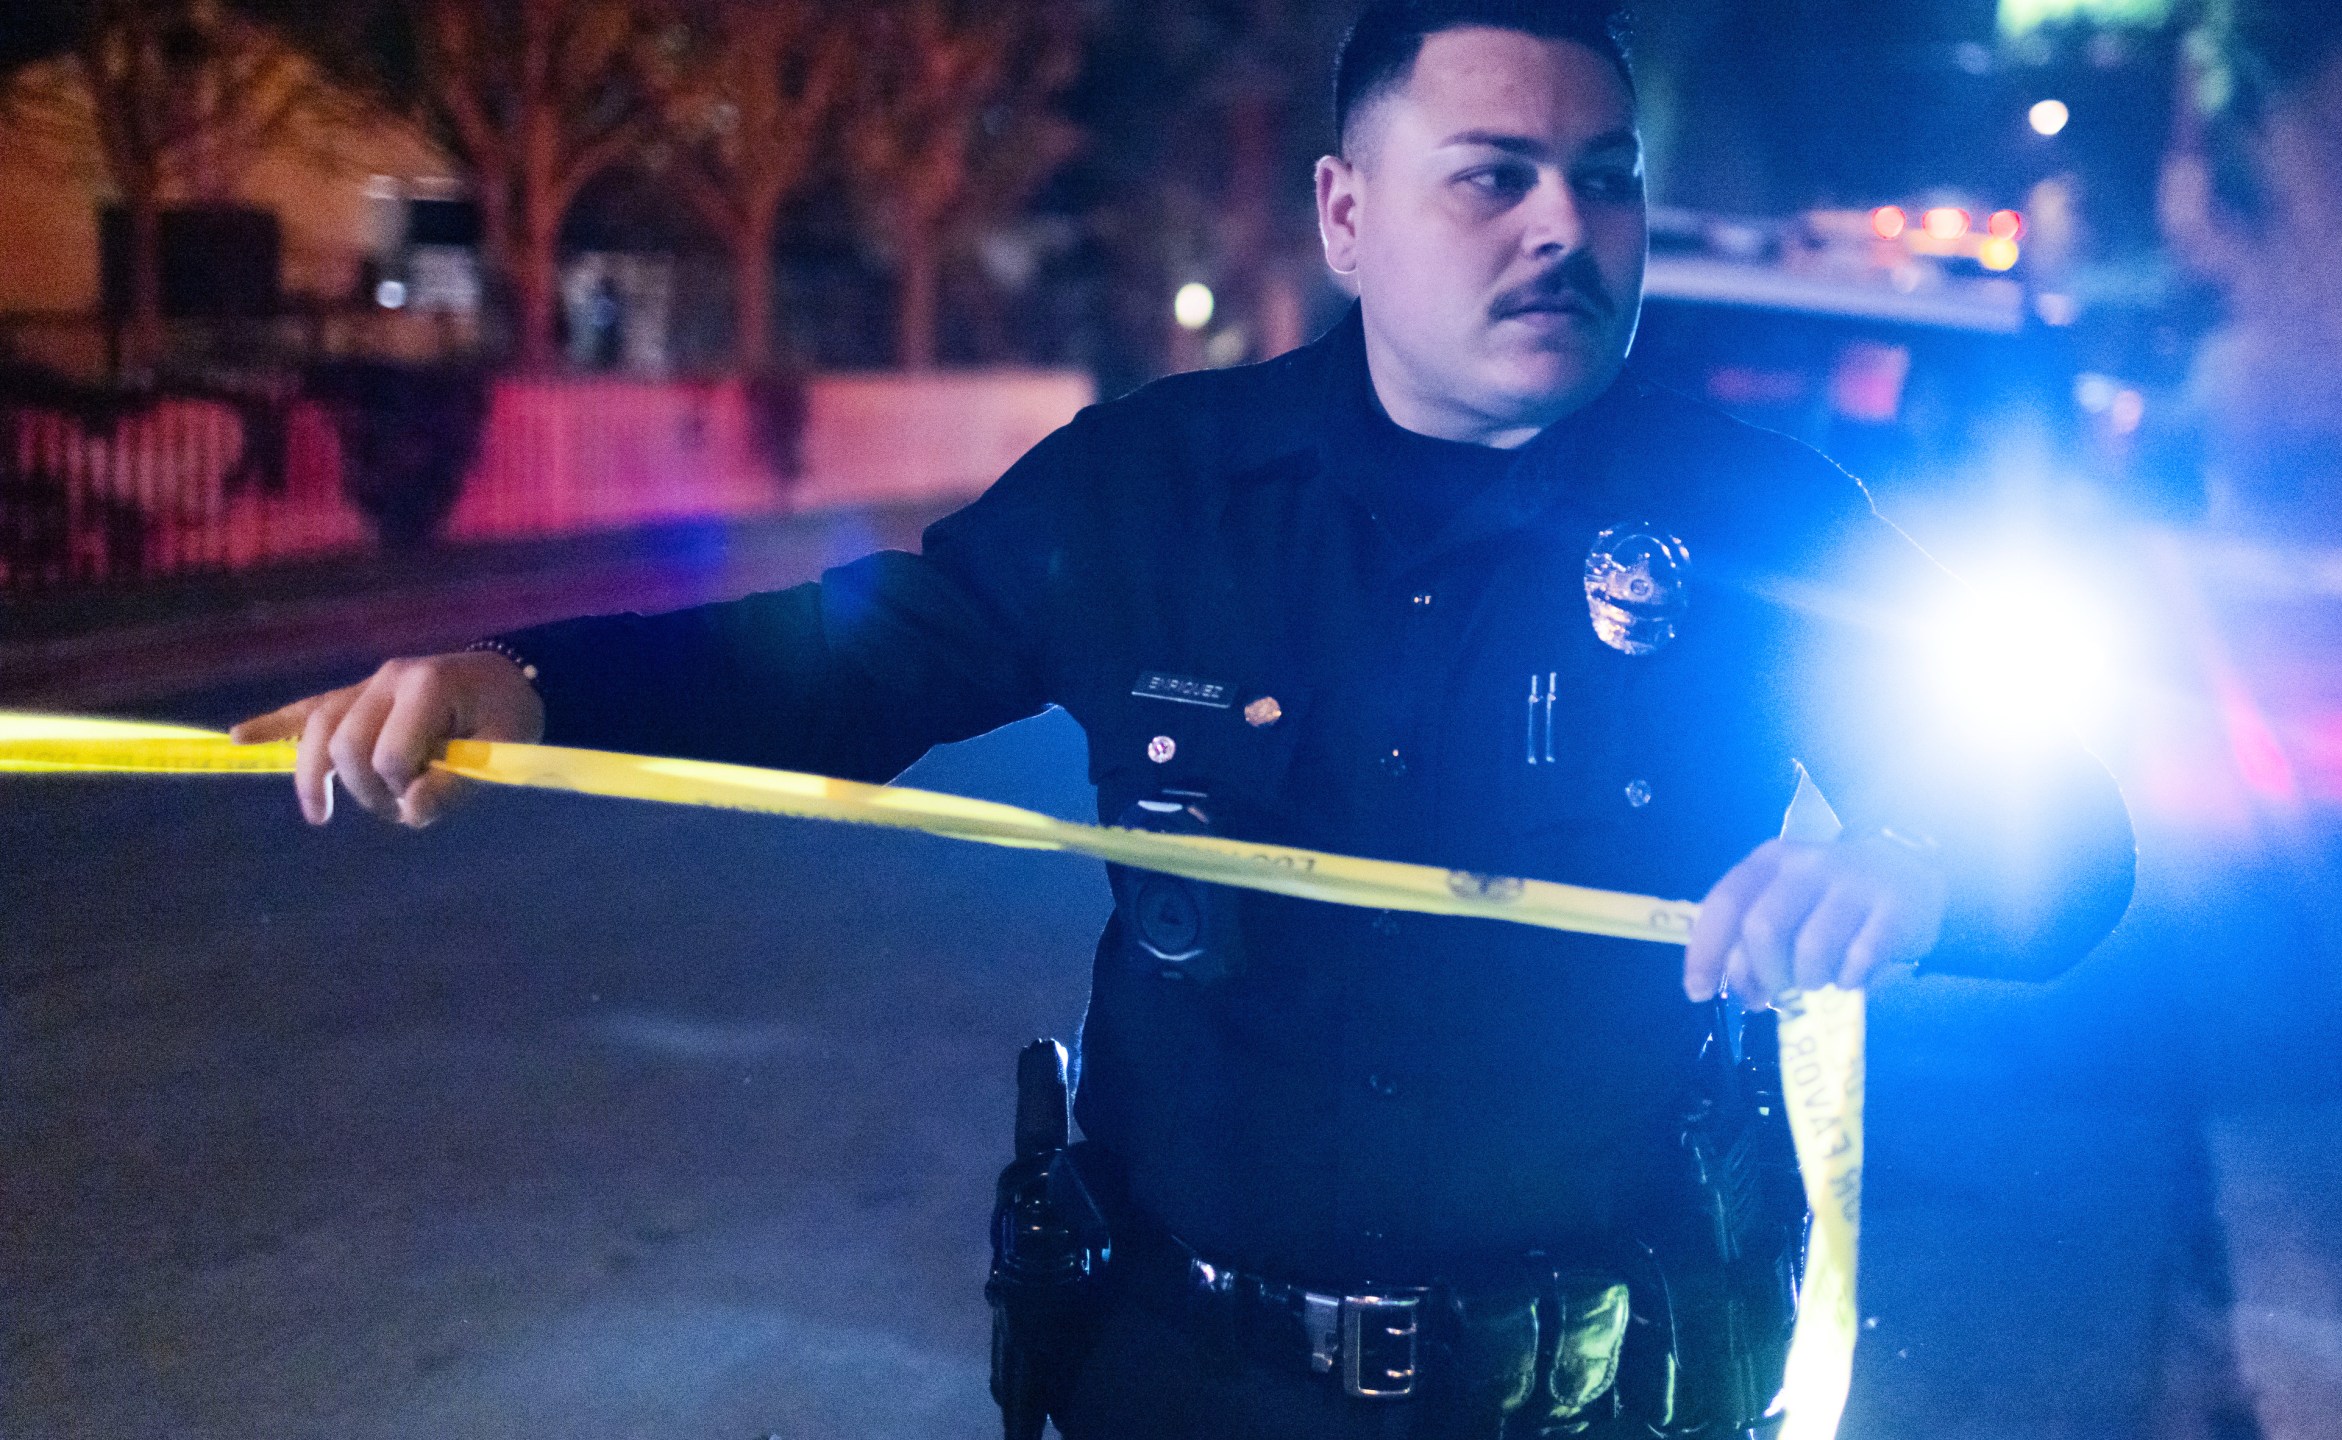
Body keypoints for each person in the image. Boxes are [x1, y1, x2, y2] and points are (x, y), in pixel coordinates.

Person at [235, 2, 2137, 1434]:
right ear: (1348, 213)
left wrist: (1926, 863)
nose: (1567, 224)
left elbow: (2072, 850)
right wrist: (530, 689)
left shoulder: (1766, 520)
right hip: (1177, 1372)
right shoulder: (1148, 490)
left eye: (1607, 175)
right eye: (1494, 174)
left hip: (1596, 1381)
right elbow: (847, 662)